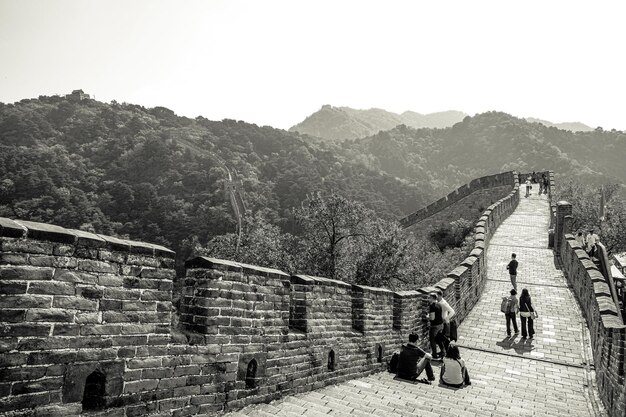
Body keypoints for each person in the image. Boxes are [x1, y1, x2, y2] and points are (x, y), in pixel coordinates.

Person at [427, 293, 445, 358]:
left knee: (433, 340)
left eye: (429, 298)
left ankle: (434, 354)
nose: (428, 299)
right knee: (439, 339)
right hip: (441, 324)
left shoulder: (432, 306)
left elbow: (432, 318)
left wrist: (427, 317)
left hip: (435, 326)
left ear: (432, 298)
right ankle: (443, 351)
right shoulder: (439, 304)